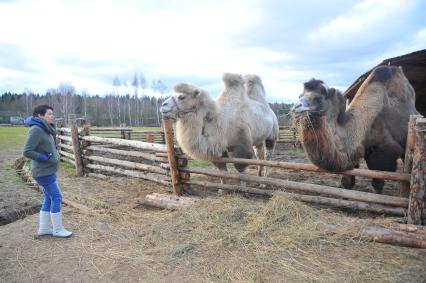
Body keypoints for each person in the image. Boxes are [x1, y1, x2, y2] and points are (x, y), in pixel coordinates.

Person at [23, 104, 72, 238]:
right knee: (57, 196)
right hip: (42, 171)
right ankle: (57, 229)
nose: (52, 116)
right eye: (49, 113)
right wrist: (42, 157)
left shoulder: (46, 129)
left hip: (47, 170)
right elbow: (27, 151)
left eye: (52, 113)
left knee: (49, 197)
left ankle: (44, 228)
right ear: (40, 116)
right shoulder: (36, 129)